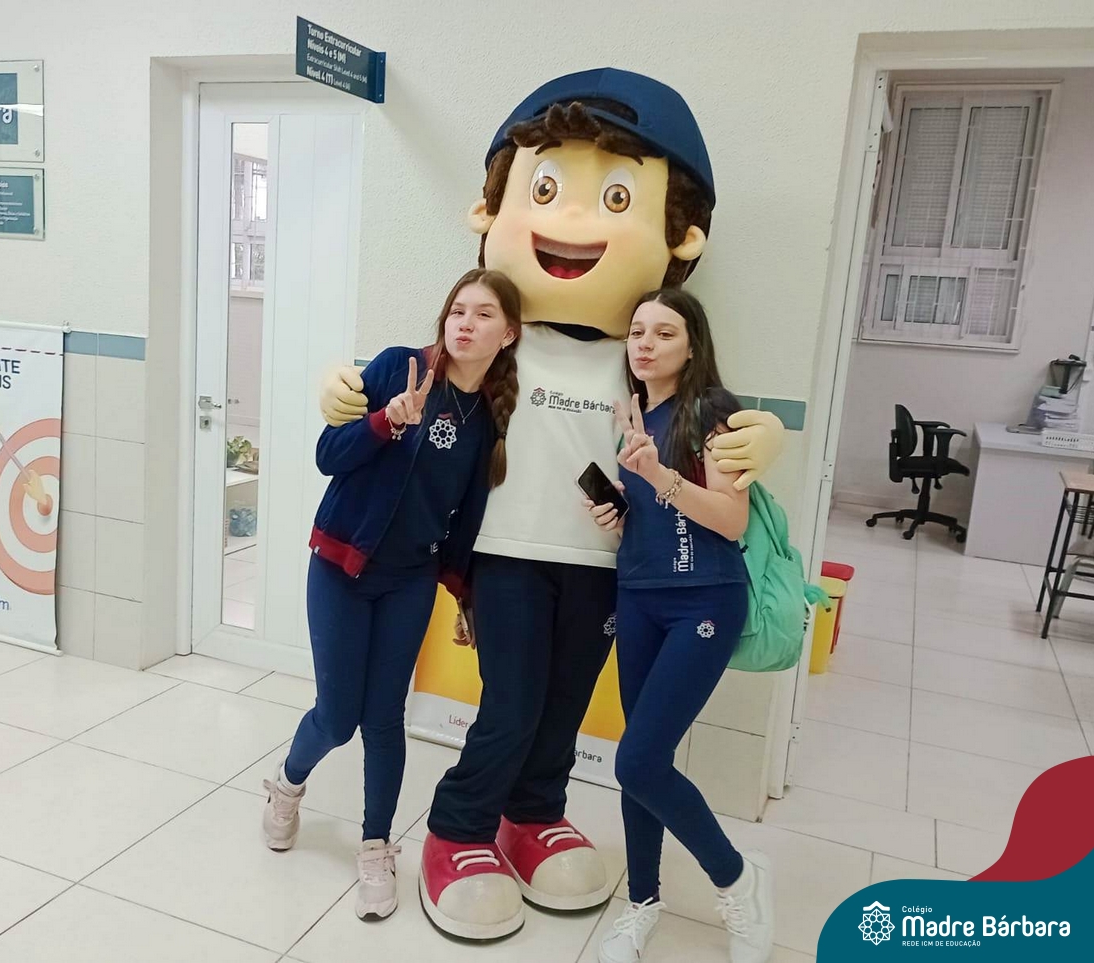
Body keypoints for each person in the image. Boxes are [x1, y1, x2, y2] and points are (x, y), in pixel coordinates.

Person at [317, 70, 785, 939]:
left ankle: (532, 813)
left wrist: (768, 438)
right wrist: (350, 394)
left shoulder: (639, 355)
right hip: (506, 555)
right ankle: (459, 826)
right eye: (543, 190)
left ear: (680, 238)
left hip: (606, 565)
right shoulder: (499, 337)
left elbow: (700, 416)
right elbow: (424, 369)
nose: (571, 221)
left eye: (616, 198)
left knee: (565, 707)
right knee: (511, 704)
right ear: (489, 211)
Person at [262, 268, 522, 923]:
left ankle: (376, 847)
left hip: (409, 580)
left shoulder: (489, 418)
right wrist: (385, 420)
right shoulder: (396, 367)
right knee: (337, 717)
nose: (465, 324)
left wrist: (462, 594)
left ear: (508, 333)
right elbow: (329, 455)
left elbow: (465, 517)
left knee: (384, 719)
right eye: (458, 310)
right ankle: (287, 785)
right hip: (341, 567)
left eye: (483, 314)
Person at [585, 287, 774, 963]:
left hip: (704, 601)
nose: (645, 343)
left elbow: (730, 519)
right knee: (644, 763)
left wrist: (660, 474)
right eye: (637, 331)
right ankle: (642, 902)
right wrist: (617, 515)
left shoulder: (714, 411)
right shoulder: (632, 414)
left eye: (664, 333)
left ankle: (738, 878)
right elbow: (656, 518)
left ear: (693, 346)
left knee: (636, 760)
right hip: (638, 597)